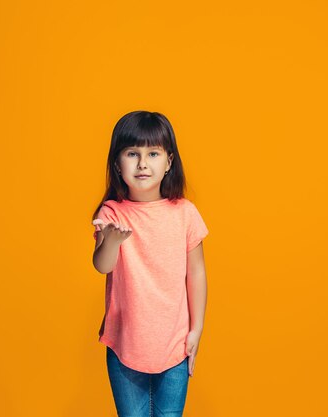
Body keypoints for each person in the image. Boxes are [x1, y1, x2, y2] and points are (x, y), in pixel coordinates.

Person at [91, 110, 209, 416]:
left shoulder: (184, 212)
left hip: (174, 345)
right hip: (126, 346)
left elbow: (196, 272)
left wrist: (196, 330)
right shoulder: (113, 213)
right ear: (117, 163)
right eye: (132, 153)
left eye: (153, 153)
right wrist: (112, 241)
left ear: (169, 161)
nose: (143, 163)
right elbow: (102, 265)